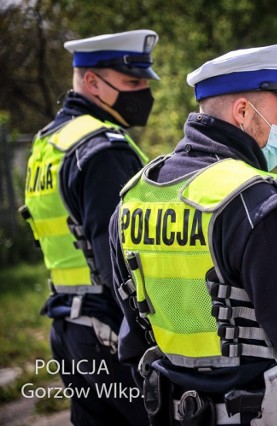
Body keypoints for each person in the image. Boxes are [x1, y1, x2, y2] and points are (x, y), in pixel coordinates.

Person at [108, 41, 277, 425]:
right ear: (242, 112)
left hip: (170, 411)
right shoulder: (253, 201)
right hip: (261, 411)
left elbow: (134, 335)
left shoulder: (135, 197)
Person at [20, 29, 159, 425]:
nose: (143, 92)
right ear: (93, 81)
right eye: (133, 82)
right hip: (111, 330)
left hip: (69, 328)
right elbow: (117, 256)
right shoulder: (103, 149)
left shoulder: (49, 143)